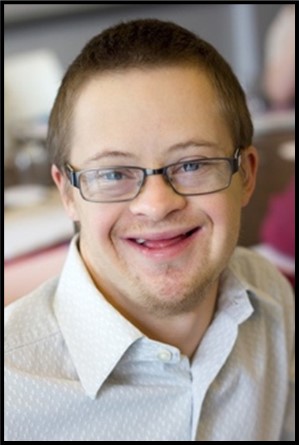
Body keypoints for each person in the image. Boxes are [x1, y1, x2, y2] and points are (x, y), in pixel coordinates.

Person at [4, 19, 294, 441]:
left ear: (247, 176)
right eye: (114, 172)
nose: (156, 205)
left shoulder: (271, 300)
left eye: (193, 164)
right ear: (68, 194)